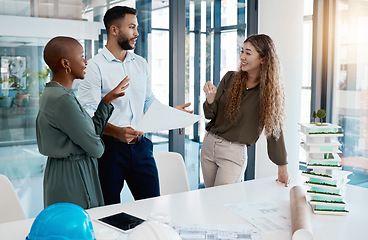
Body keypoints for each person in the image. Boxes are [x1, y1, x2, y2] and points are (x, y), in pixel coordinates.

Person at [78, 6, 192, 204]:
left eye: (137, 27)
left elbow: (148, 101)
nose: (137, 33)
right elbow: (89, 114)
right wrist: (116, 132)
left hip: (142, 147)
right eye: (131, 27)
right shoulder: (94, 67)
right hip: (109, 151)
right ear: (114, 30)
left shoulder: (140, 63)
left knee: (151, 205)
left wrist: (170, 113)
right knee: (109, 209)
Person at [36, 36, 129, 209]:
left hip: (64, 173)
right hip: (74, 177)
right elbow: (96, 148)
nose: (85, 62)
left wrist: (107, 101)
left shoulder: (54, 93)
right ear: (66, 64)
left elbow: (89, 132)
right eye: (81, 56)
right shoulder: (63, 100)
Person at [201, 34, 289, 188]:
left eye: (248, 53)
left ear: (263, 59)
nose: (242, 57)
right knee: (209, 200)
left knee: (221, 202)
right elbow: (210, 115)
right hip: (209, 145)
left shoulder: (268, 94)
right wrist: (211, 98)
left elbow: (275, 131)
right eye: (241, 52)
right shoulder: (230, 78)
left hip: (232, 153)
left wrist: (282, 166)